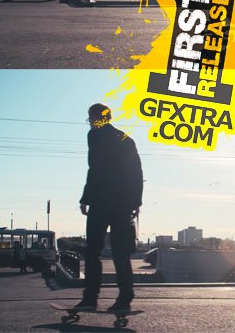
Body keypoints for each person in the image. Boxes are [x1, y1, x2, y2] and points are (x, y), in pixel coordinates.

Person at [73, 103, 143, 317]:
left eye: (90, 118)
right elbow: (137, 172)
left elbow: (94, 169)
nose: (91, 123)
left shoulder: (94, 136)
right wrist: (135, 203)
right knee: (121, 254)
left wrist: (86, 198)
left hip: (102, 203)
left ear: (97, 117)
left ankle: (90, 298)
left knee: (92, 252)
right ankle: (124, 299)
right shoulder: (125, 139)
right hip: (121, 204)